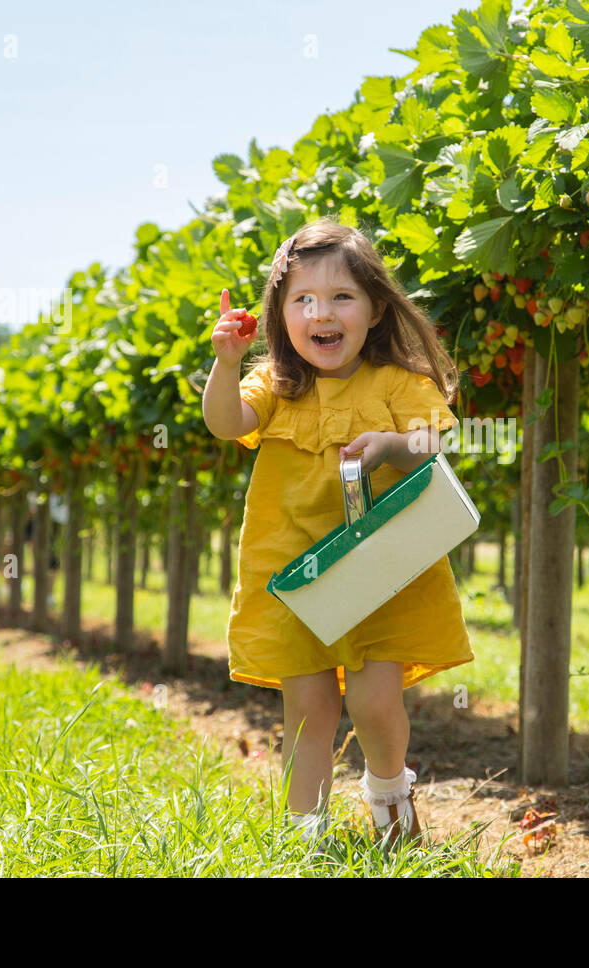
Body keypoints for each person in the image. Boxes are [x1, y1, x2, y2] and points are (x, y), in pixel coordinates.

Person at [201, 217, 473, 851]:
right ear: (281, 316)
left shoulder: (398, 381)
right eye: (302, 299)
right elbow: (225, 422)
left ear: (375, 309)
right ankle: (305, 839)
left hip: (379, 570)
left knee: (376, 702)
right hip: (297, 574)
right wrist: (226, 363)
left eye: (341, 297)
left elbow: (434, 439)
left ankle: (390, 796)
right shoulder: (276, 385)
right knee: (310, 709)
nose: (321, 313)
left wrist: (392, 445)